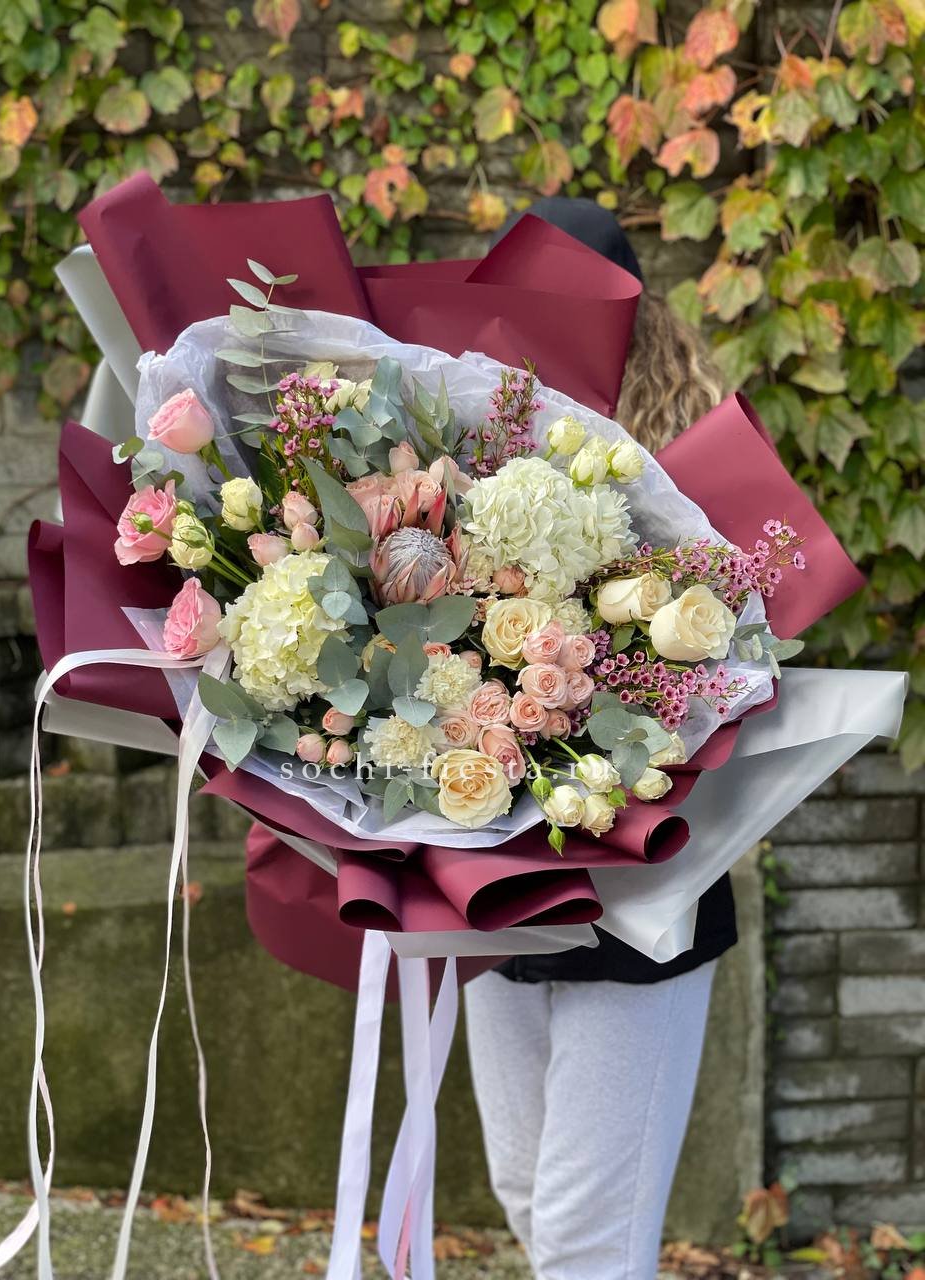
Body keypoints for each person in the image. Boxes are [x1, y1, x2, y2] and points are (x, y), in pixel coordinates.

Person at [464, 196, 732, 1280]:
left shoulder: (694, 467)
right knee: (528, 1196)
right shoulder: (473, 440)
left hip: (642, 890)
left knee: (588, 1238)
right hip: (494, 873)